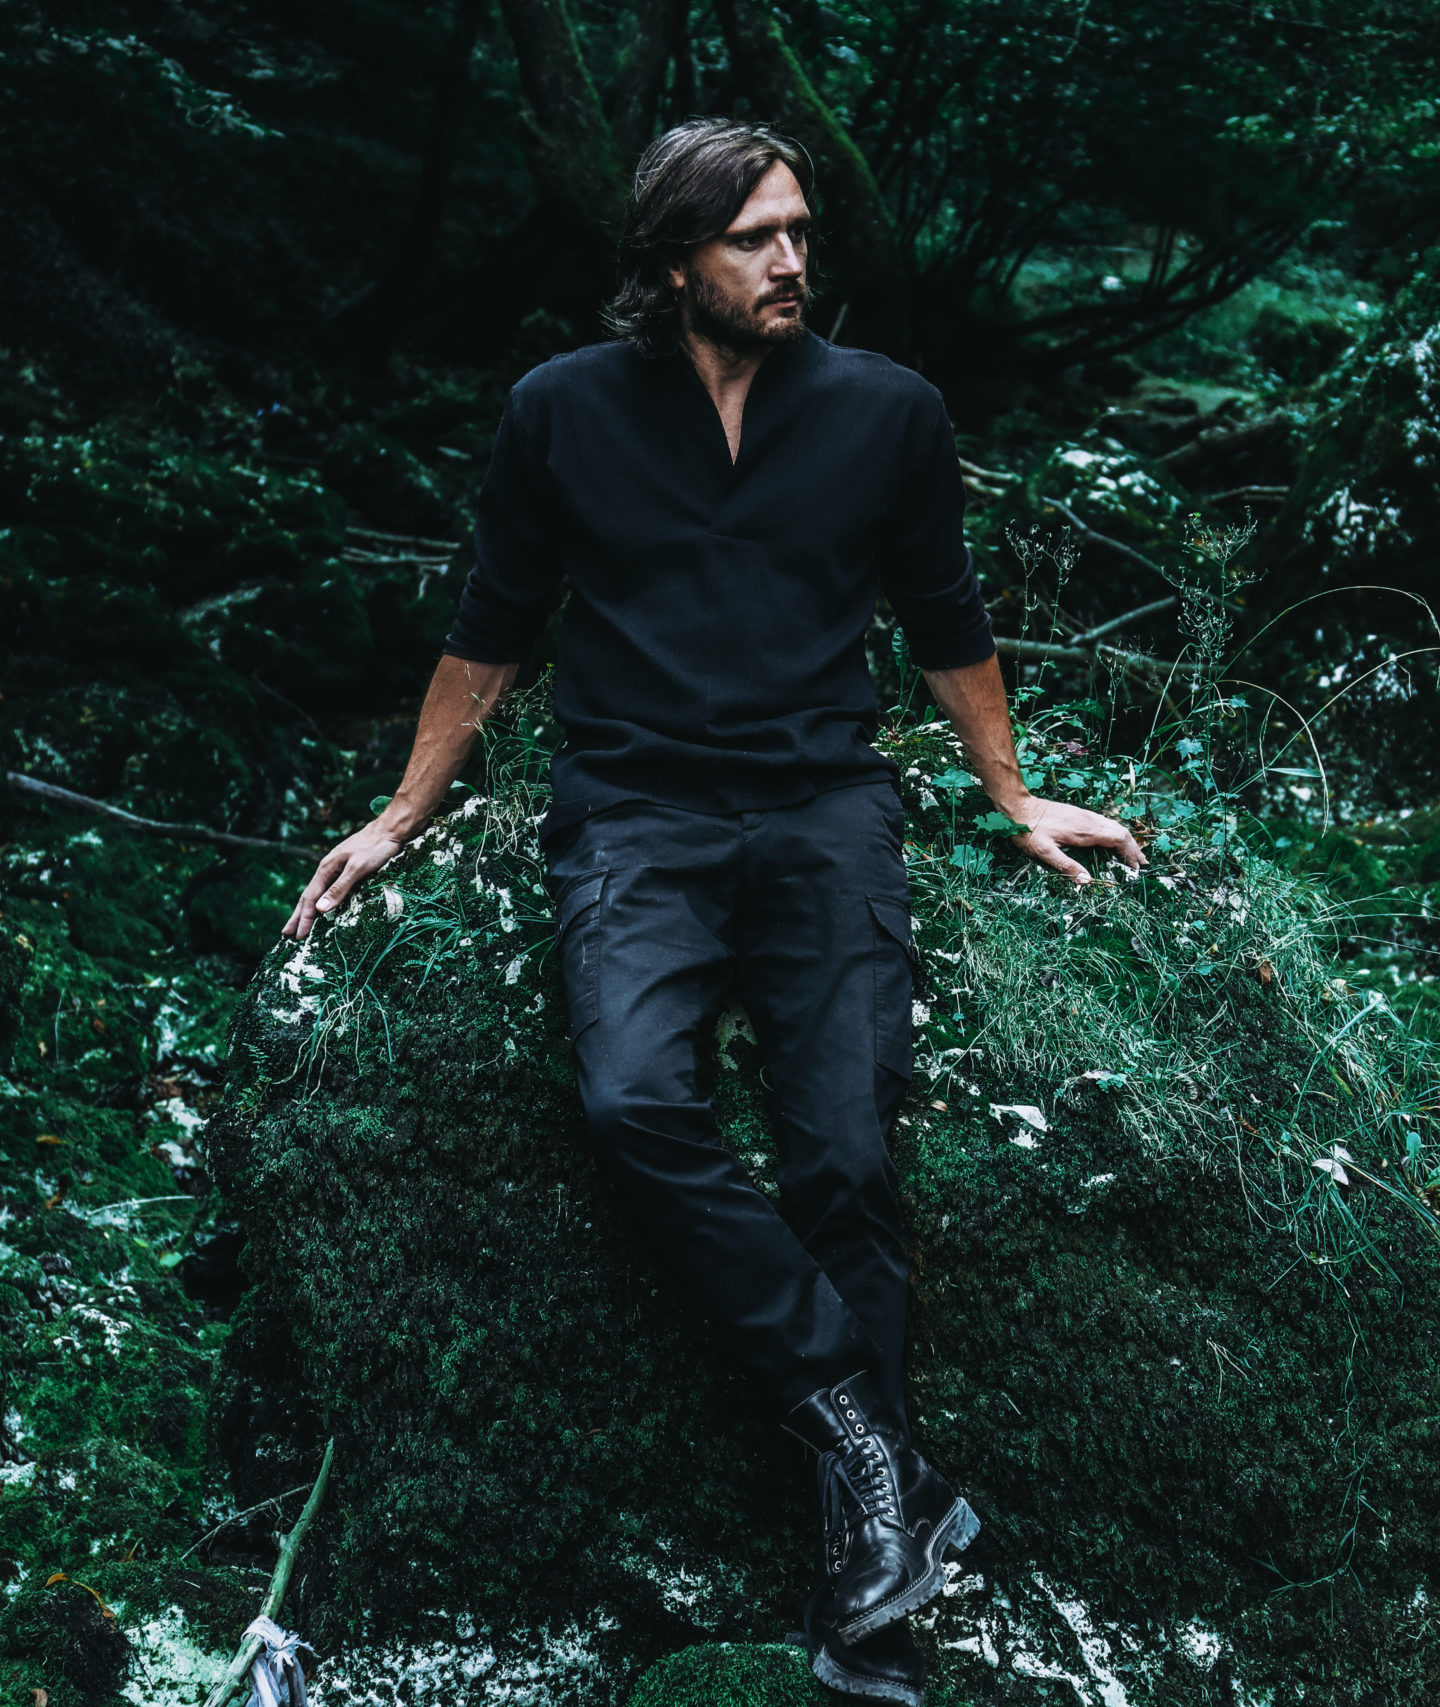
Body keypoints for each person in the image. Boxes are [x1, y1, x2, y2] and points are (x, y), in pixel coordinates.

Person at [283, 117, 1142, 1705]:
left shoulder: (887, 409)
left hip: (824, 811)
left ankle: (864, 1597)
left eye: (801, 231)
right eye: (757, 238)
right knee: (630, 1098)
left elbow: (945, 616)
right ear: (676, 258)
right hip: (636, 812)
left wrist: (1014, 795)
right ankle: (872, 1449)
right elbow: (492, 626)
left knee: (845, 1156)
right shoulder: (562, 409)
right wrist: (401, 813)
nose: (793, 260)